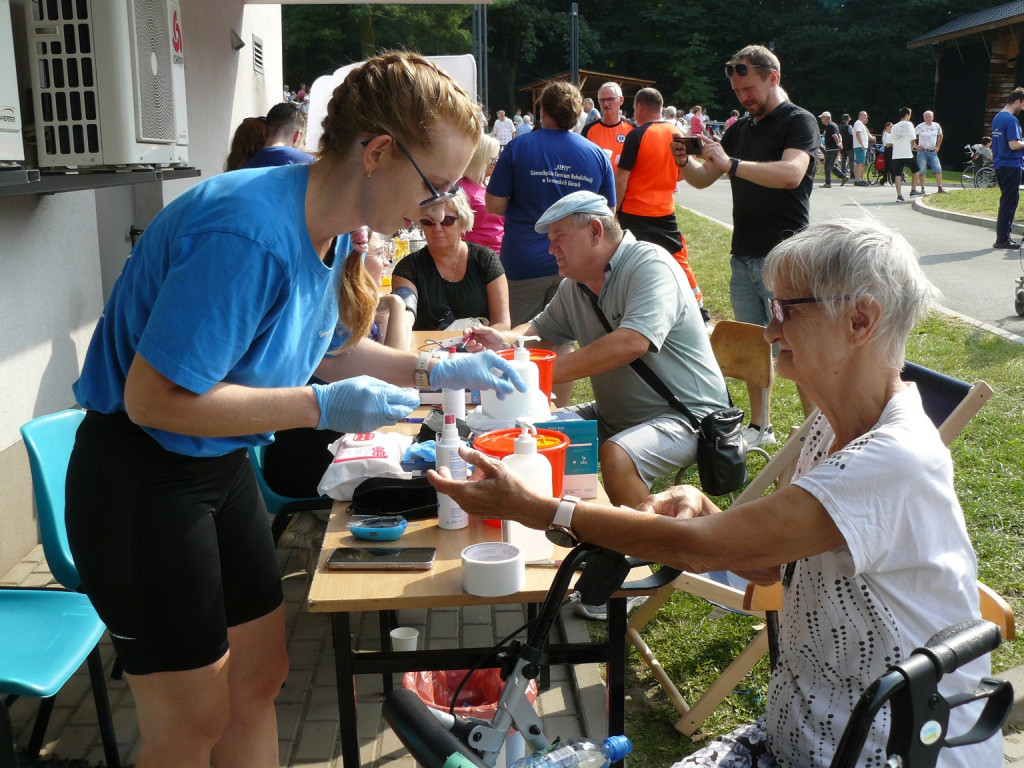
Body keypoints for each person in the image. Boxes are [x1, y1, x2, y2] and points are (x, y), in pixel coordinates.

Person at [63, 51, 525, 768]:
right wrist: (320, 408)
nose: (439, 208)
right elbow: (154, 399)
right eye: (435, 184)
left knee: (259, 678)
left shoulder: (333, 225)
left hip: (215, 466)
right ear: (377, 152)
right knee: (190, 719)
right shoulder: (245, 234)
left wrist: (436, 366)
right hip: (141, 478)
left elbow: (329, 354)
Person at [433, 217, 1001, 768]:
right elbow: (766, 565)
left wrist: (540, 509)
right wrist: (706, 511)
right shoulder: (834, 427)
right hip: (799, 739)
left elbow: (709, 549)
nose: (771, 329)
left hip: (889, 752)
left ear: (860, 319)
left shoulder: (892, 457)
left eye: (785, 309)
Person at [463, 190, 727, 516]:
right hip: (615, 415)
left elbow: (632, 341)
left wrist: (543, 374)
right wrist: (501, 342)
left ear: (595, 232)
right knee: (533, 431)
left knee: (617, 454)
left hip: (687, 417)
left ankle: (651, 549)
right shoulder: (576, 285)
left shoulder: (650, 264)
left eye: (559, 236)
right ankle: (555, 528)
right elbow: (537, 333)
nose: (550, 248)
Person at [672, 44, 819, 447]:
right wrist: (685, 161)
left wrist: (732, 164)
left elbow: (792, 174)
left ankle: (815, 434)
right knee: (755, 347)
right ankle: (760, 427)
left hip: (785, 258)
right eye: (738, 92)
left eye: (750, 88)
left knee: (798, 349)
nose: (743, 98)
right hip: (745, 255)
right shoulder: (742, 127)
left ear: (773, 76)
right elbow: (703, 180)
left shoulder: (799, 121)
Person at [486, 80, 615, 327]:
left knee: (519, 342)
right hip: (576, 262)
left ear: (542, 111)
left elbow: (493, 205)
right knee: (564, 341)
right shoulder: (597, 154)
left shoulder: (518, 147)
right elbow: (607, 215)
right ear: (578, 114)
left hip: (524, 261)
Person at [615, 87, 708, 321]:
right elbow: (684, 171)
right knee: (677, 257)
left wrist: (614, 209)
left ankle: (635, 307)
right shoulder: (678, 131)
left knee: (631, 262)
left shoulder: (637, 135)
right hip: (665, 209)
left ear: (639, 107)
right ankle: (698, 306)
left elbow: (622, 177)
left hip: (635, 211)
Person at [392, 189, 510, 331]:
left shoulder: (486, 259)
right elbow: (404, 321)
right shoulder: (407, 268)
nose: (437, 228)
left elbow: (502, 324)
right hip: (426, 350)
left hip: (478, 348)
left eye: (447, 221)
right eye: (428, 222)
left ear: (463, 220)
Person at [460, 134, 505, 254]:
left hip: (502, 256)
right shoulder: (461, 190)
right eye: (493, 159)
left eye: (497, 158)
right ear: (480, 159)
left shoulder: (491, 186)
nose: (496, 163)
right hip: (476, 258)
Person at [991, 88, 1024, 249]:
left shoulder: (997, 118)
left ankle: (1003, 236)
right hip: (1011, 164)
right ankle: (1003, 238)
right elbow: (1014, 144)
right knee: (1009, 202)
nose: (1022, 109)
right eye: (1023, 105)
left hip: (1000, 164)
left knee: (1007, 201)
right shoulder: (1011, 120)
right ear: (1017, 101)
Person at [580, 81, 636, 171]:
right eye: (602, 100)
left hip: (625, 183)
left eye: (610, 99)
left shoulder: (632, 129)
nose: (606, 104)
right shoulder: (589, 129)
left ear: (621, 100)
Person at [241, 102, 314, 168]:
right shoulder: (310, 165)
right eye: (302, 142)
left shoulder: (243, 170)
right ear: (297, 136)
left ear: (266, 134)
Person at [890, 107, 920, 204]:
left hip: (896, 154)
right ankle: (913, 190)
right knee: (916, 170)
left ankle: (899, 196)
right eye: (909, 115)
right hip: (906, 153)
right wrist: (912, 147)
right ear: (907, 115)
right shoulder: (909, 124)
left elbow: (892, 140)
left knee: (898, 174)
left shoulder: (894, 126)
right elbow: (913, 138)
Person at [914, 110, 946, 194]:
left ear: (933, 117)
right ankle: (922, 189)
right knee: (922, 171)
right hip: (922, 151)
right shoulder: (920, 127)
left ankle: (940, 188)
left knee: (938, 170)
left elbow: (941, 135)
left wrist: (938, 146)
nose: (928, 118)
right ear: (924, 118)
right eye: (926, 117)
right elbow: (911, 136)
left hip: (932, 151)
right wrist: (916, 146)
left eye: (929, 117)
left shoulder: (936, 126)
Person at [818, 111, 841, 188]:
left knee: (827, 166)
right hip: (833, 149)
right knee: (830, 165)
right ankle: (843, 177)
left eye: (822, 118)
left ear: (826, 118)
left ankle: (828, 183)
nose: (821, 120)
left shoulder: (830, 126)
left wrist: (838, 144)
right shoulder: (834, 125)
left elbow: (835, 136)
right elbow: (839, 135)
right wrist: (840, 144)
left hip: (832, 149)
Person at [852, 110, 870, 186]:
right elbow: (858, 134)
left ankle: (859, 179)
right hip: (860, 146)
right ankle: (858, 180)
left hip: (860, 146)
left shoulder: (861, 124)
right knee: (860, 163)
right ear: (860, 116)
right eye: (864, 115)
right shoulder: (858, 123)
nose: (866, 117)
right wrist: (862, 144)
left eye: (866, 116)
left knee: (860, 163)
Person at [837, 113, 854, 183]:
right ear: (847, 120)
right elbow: (852, 135)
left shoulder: (839, 127)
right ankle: (852, 174)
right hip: (849, 146)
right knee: (851, 160)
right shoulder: (848, 127)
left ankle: (843, 173)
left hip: (843, 146)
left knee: (843, 160)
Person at [880, 120, 894, 186]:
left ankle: (885, 180)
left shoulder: (886, 134)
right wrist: (893, 142)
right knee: (891, 166)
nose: (891, 128)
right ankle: (893, 181)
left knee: (887, 166)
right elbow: (888, 145)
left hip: (887, 150)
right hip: (888, 150)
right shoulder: (887, 135)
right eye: (890, 127)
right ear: (887, 127)